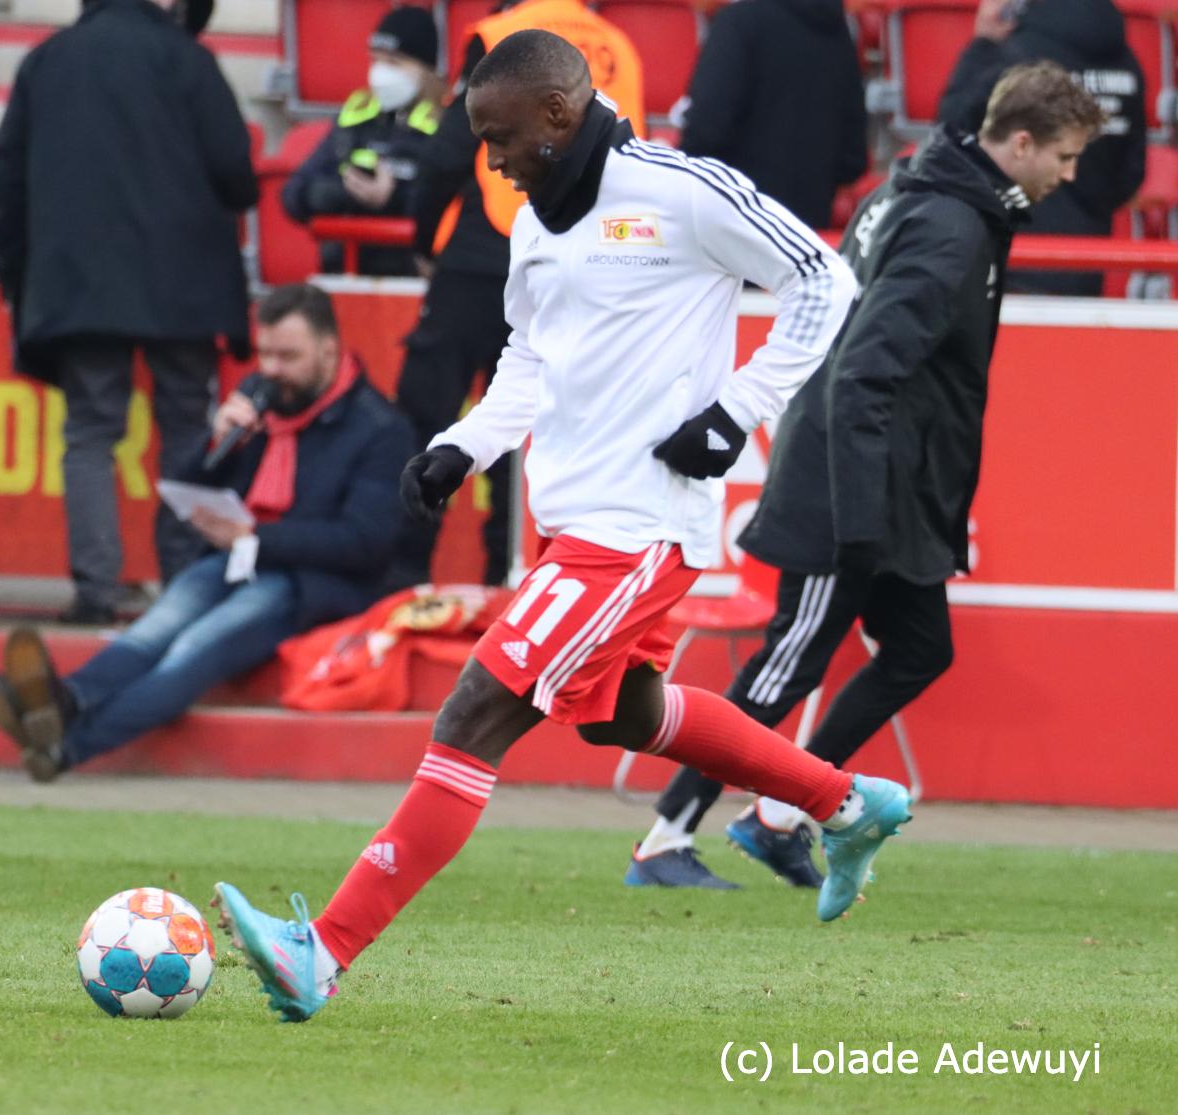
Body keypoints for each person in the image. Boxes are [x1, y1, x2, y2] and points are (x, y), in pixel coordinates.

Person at [211, 31, 915, 1024]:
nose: (490, 163)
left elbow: (823, 281)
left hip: (639, 524)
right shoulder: (536, 222)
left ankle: (321, 949)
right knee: (620, 712)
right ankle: (843, 803)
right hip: (571, 515)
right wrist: (465, 443)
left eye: (498, 139)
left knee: (472, 713)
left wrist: (735, 408)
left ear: (557, 111)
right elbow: (529, 353)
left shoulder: (683, 191)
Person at [634, 61, 1104, 890]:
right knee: (791, 659)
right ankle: (664, 836)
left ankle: (778, 814)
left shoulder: (924, 193)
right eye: (1064, 156)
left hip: (887, 478)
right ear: (1021, 143)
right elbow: (860, 374)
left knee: (919, 648)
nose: (1069, 175)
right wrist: (855, 520)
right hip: (853, 481)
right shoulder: (952, 227)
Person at [0, 284, 413, 782]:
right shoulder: (260, 400)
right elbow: (187, 483)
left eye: (287, 356)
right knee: (153, 631)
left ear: (329, 351)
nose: (270, 369)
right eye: (265, 353)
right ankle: (64, 700)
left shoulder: (381, 428)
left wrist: (255, 538)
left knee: (192, 650)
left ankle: (65, 746)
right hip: (236, 559)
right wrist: (217, 438)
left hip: (311, 585)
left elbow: (365, 541)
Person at [0, 0, 258, 626]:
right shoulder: (190, 59)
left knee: (89, 432)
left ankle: (95, 590)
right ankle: (185, 586)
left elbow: (7, 185)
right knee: (187, 429)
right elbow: (236, 177)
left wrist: (16, 282)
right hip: (185, 284)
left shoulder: (45, 62)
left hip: (78, 285)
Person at [389, 0, 644, 590]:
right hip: (575, 264)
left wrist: (424, 240)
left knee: (428, 431)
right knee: (523, 437)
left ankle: (402, 589)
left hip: (484, 257)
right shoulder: (617, 45)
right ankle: (505, 589)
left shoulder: (498, 34)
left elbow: (452, 152)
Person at [937, 0, 1143, 296]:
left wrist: (982, 43)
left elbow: (950, 131)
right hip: (1086, 263)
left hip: (1014, 262)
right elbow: (1130, 174)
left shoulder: (1014, 55)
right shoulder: (1128, 62)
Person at [677, 0, 868, 232]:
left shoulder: (739, 22)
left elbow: (705, 132)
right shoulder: (839, 30)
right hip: (807, 236)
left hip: (732, 228)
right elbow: (852, 158)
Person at [282, 6, 444, 277]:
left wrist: (393, 197)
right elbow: (292, 196)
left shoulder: (444, 127)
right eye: (376, 60)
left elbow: (452, 207)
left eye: (394, 62)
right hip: (345, 275)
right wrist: (342, 194)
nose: (381, 73)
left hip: (413, 278)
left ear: (426, 69)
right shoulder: (355, 119)